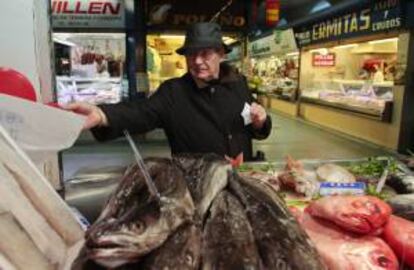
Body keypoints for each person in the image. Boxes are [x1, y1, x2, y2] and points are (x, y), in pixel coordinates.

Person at [66, 22, 272, 161]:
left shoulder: (238, 83)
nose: (197, 61)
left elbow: (253, 125)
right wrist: (103, 115)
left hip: (241, 179)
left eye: (205, 54)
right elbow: (141, 111)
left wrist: (261, 122)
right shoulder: (174, 93)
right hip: (194, 184)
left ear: (220, 54)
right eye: (191, 55)